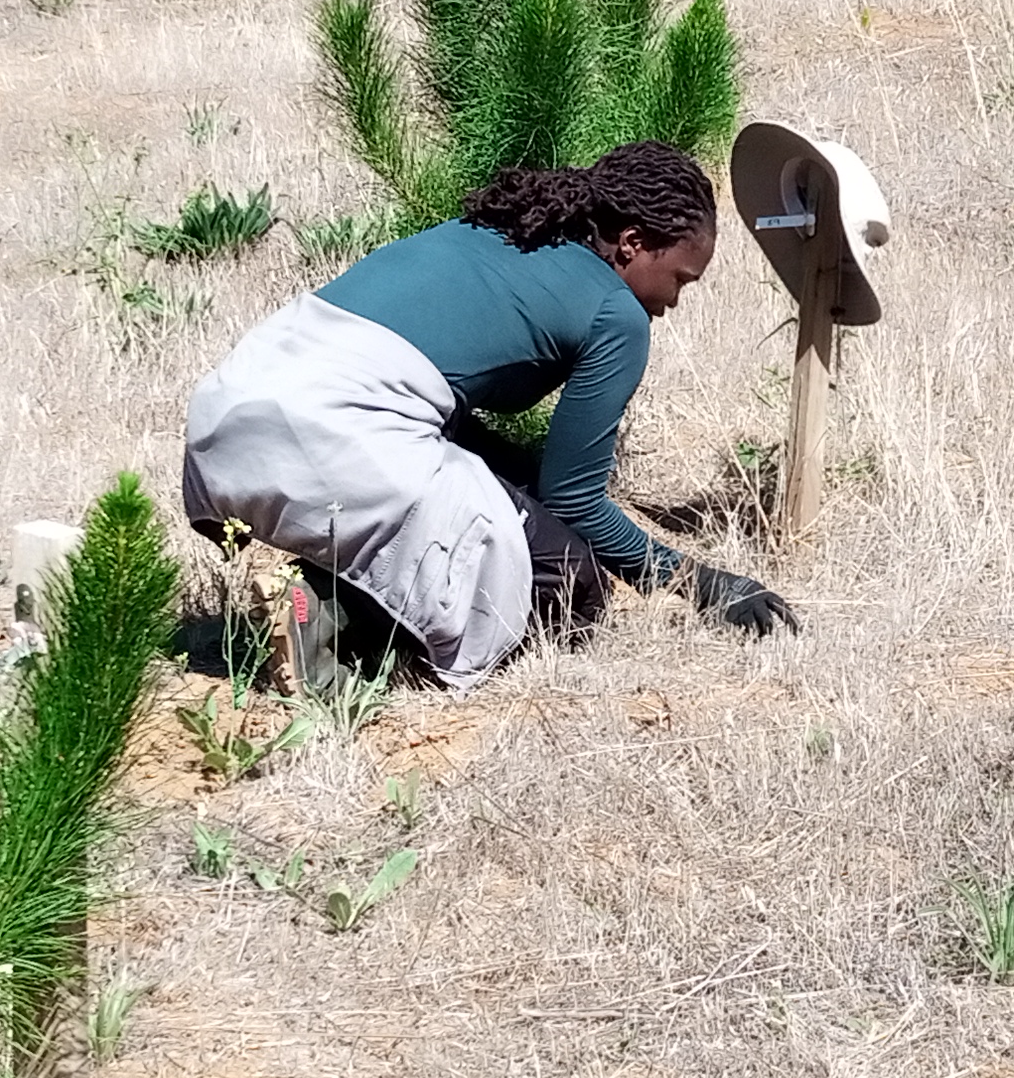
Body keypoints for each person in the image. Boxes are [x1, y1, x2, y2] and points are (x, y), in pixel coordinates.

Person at [179, 141, 798, 688]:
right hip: (334, 432)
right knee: (569, 585)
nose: (673, 303)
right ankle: (327, 616)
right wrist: (701, 583)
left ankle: (328, 593)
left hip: (225, 418)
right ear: (633, 245)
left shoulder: (498, 232)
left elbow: (443, 407)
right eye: (681, 281)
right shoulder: (619, 314)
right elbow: (575, 498)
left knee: (504, 505)